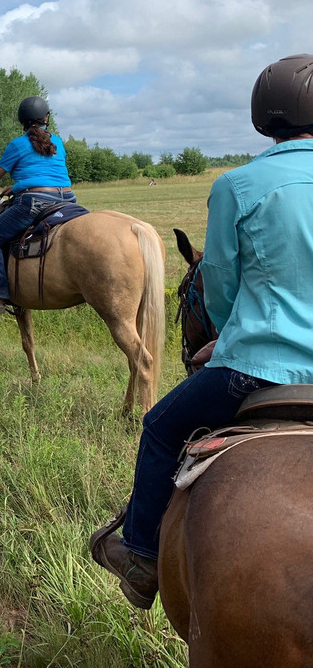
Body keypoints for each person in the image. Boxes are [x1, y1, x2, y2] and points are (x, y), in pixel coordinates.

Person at [90, 54, 313, 610]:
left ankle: (140, 557)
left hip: (255, 367)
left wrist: (233, 333)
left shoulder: (238, 184)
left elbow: (219, 282)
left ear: (267, 116)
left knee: (162, 427)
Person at [0, 96, 75, 312]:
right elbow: (47, 174)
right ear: (46, 118)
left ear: (22, 120)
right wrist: (15, 188)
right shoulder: (58, 142)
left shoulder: (18, 144)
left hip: (35, 202)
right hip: (68, 199)